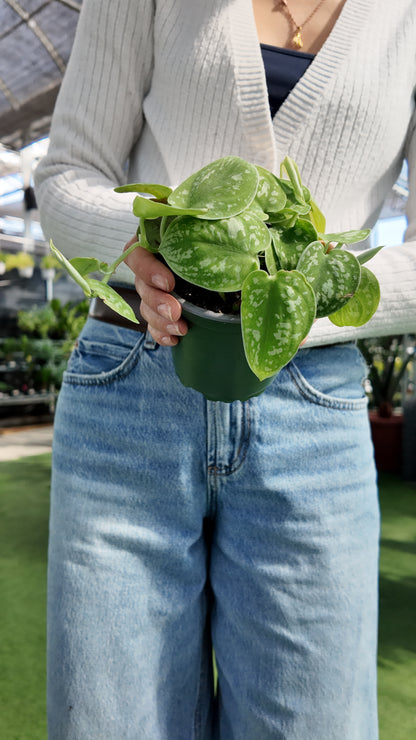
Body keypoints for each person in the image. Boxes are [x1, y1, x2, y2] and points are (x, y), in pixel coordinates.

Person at [34, 0, 416, 737]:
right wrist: (143, 248)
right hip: (129, 391)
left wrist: (297, 302)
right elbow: (67, 174)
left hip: (314, 413)